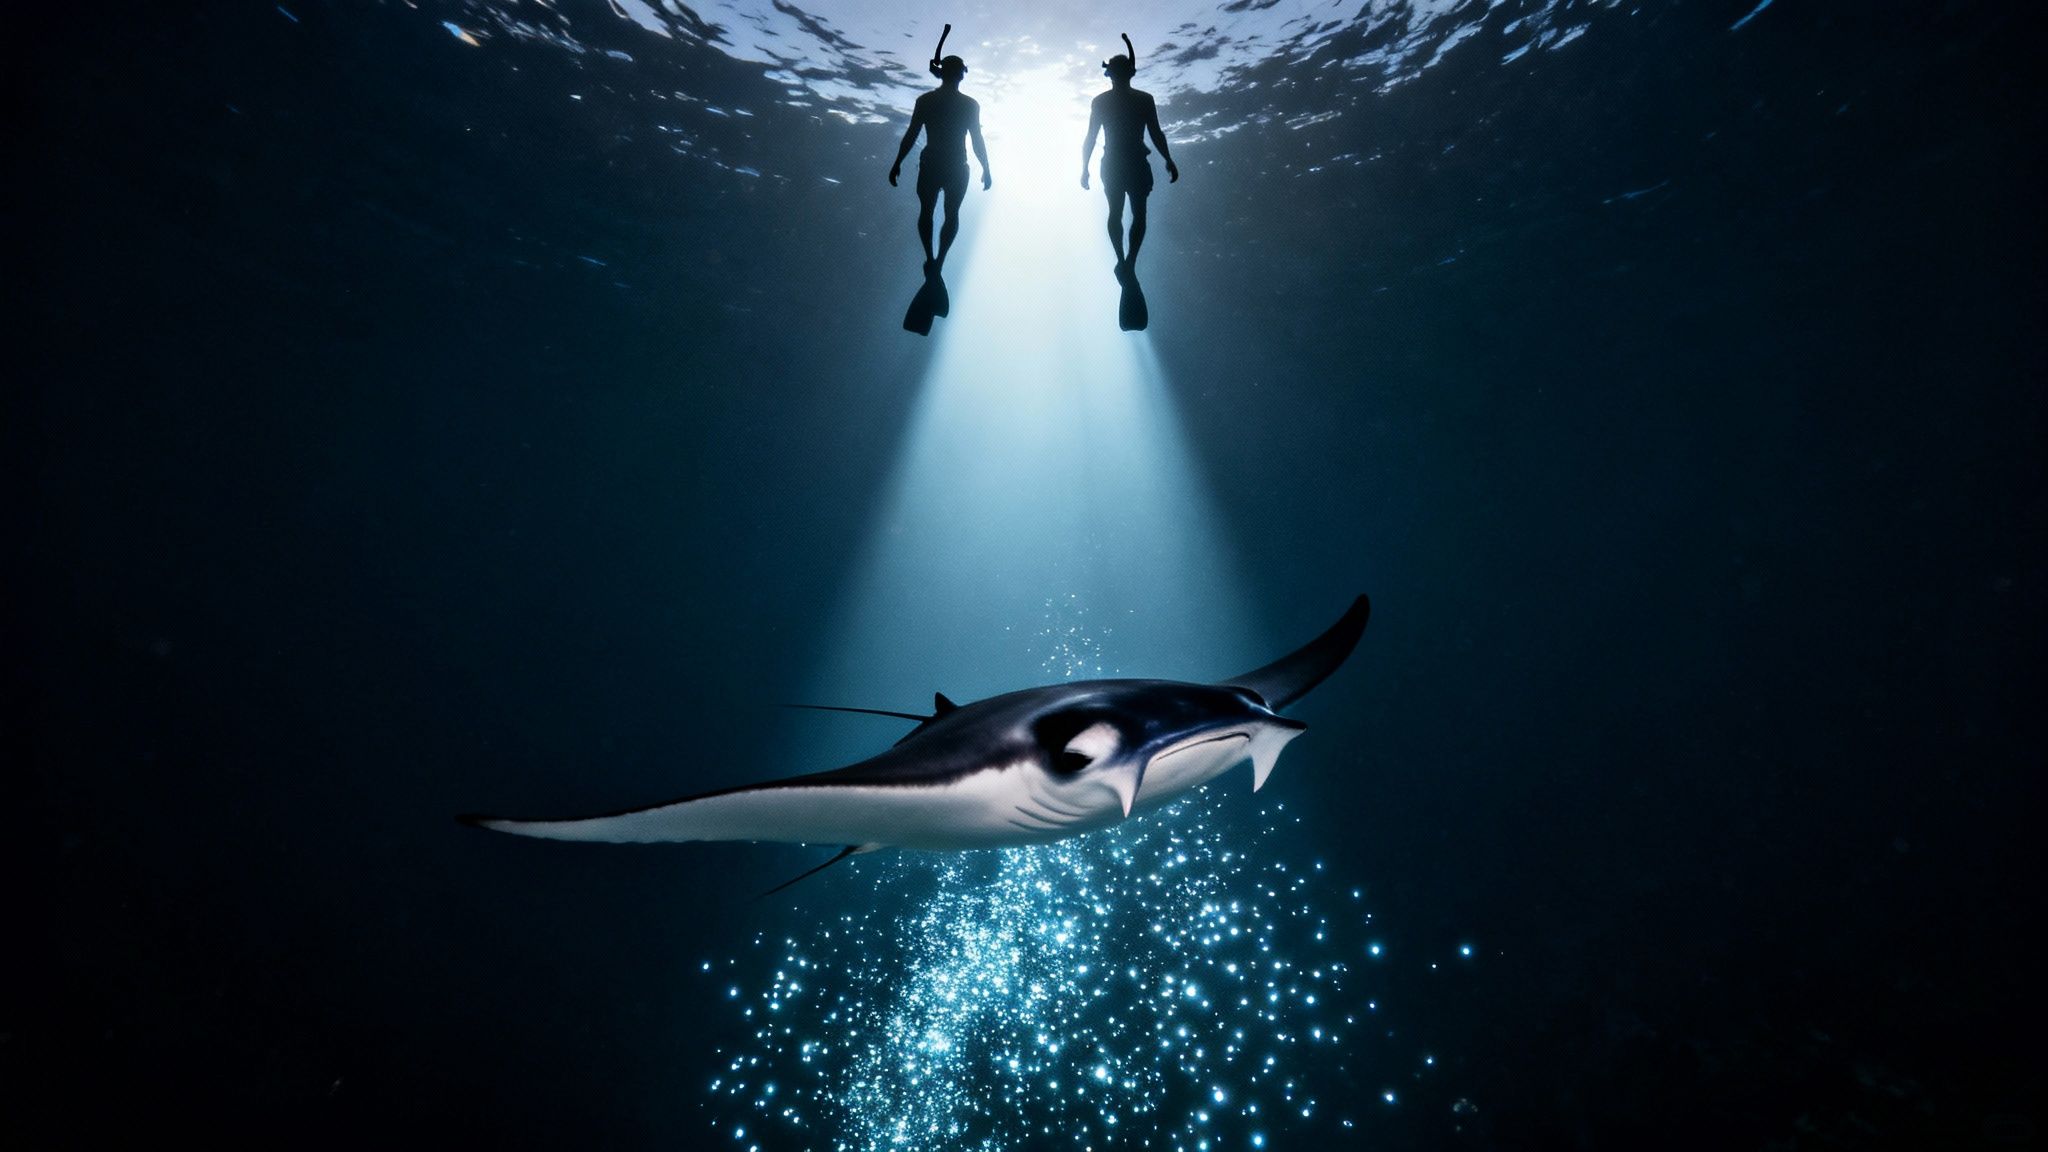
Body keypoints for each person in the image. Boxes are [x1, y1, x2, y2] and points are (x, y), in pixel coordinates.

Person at [1081, 36, 1179, 278]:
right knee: (1135, 214)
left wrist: (1084, 168)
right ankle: (1128, 261)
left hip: (1116, 164)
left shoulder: (1104, 102)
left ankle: (1125, 260)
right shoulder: (1142, 99)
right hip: (1131, 164)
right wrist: (1168, 159)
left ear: (1112, 74)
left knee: (1118, 212)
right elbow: (1155, 133)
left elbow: (1091, 137)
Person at [889, 48, 991, 274]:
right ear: (961, 75)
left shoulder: (925, 101)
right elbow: (977, 139)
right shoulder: (970, 105)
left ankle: (930, 258)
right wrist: (986, 167)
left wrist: (898, 162)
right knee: (951, 213)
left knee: (927, 211)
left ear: (942, 73)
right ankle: (939, 262)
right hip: (957, 165)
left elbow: (912, 134)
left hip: (931, 164)